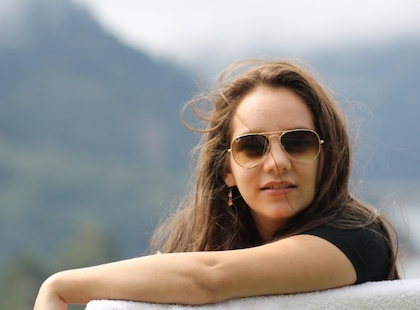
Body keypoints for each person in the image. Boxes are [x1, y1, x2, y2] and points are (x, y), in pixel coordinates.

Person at [33, 59, 399, 309]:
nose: (277, 163)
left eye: (298, 142)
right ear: (227, 169)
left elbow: (209, 278)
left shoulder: (358, 239)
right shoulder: (200, 241)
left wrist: (60, 286)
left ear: (326, 156)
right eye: (252, 146)